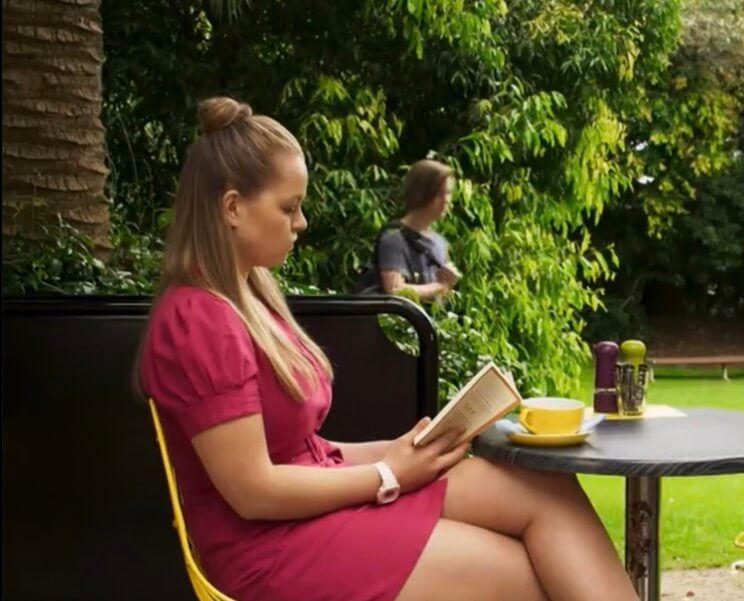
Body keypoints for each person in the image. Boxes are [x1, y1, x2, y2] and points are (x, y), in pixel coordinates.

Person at [137, 97, 638, 601]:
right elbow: (254, 491)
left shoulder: (247, 297)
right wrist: (388, 473)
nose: (301, 222)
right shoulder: (199, 320)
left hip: (310, 512)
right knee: (527, 577)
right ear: (232, 208)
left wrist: (401, 450)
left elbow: (304, 452)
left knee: (546, 490)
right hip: (269, 551)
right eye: (288, 208)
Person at [355, 160, 461, 301]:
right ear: (423, 194)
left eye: (448, 193)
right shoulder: (394, 239)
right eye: (441, 194)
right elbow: (395, 290)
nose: (447, 200)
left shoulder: (439, 242)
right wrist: (440, 287)